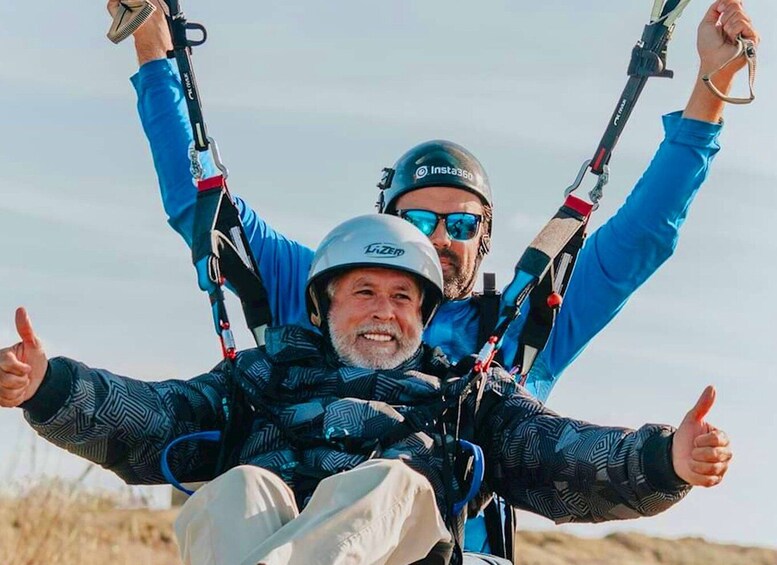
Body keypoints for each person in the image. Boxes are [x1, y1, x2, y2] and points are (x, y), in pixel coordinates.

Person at [108, 0, 757, 554]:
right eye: (419, 218)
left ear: (485, 240)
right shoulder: (315, 295)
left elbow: (638, 238)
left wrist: (709, 91)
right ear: (381, 227)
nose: (441, 237)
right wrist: (149, 36)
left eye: (463, 224)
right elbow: (201, 204)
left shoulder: (513, 330)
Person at [2, 215, 731, 565]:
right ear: (323, 305)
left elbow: (563, 455)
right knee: (236, 487)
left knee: (393, 482)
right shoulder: (260, 377)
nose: (385, 310)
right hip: (257, 535)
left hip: (409, 556)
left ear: (422, 314)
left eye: (403, 298)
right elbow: (154, 416)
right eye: (364, 291)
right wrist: (48, 386)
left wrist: (666, 457)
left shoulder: (467, 394)